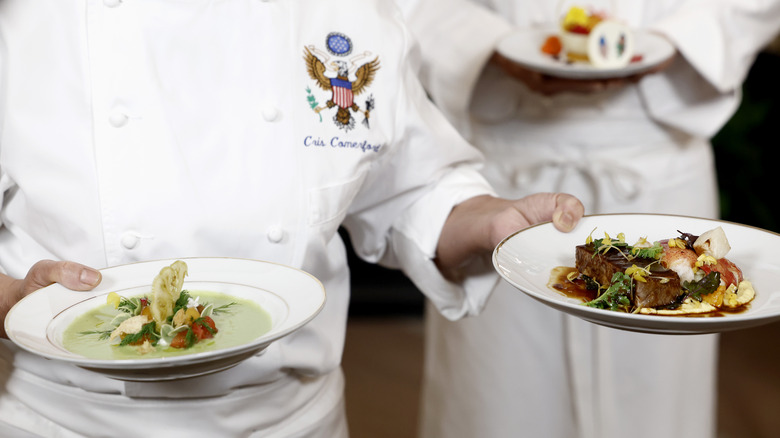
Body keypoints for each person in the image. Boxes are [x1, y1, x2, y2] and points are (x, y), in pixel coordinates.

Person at [0, 1, 585, 437]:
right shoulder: (25, 23)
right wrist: (13, 298)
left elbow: (415, 188)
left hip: (294, 423)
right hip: (69, 424)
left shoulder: (341, 13)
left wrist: (486, 221)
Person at [393, 1, 780, 437]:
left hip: (657, 158)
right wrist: (486, 46)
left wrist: (679, 39)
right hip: (504, 164)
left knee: (656, 408)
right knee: (501, 400)